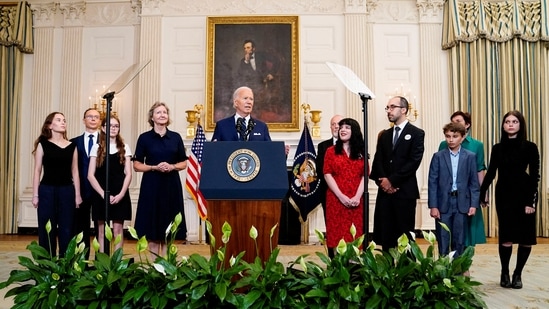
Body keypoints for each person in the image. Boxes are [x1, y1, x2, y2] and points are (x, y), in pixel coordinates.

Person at [480, 110, 539, 289]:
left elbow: (535, 175)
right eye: (507, 121)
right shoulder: (497, 148)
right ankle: (504, 271)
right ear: (503, 125)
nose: (511, 124)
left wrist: (531, 202)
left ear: (520, 125)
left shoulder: (530, 147)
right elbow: (491, 173)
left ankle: (517, 273)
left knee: (526, 238)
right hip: (504, 194)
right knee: (506, 236)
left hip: (525, 194)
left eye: (514, 121)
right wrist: (482, 193)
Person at [133, 102, 188, 257]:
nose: (162, 115)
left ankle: (165, 266)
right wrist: (154, 167)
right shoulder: (144, 138)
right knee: (152, 228)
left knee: (168, 227)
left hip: (171, 186)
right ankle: (153, 268)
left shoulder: (175, 137)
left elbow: (184, 162)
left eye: (165, 112)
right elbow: (137, 165)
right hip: (151, 186)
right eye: (158, 112)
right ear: (152, 117)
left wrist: (172, 166)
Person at [370, 96, 425, 251]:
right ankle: (386, 272)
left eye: (392, 107)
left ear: (404, 110)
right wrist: (383, 182)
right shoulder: (384, 135)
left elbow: (413, 162)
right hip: (385, 194)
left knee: (405, 237)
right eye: (387, 108)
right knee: (386, 237)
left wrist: (392, 181)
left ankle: (406, 273)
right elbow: (378, 161)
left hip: (404, 193)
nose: (388, 111)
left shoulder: (416, 133)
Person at [32, 112, 82, 257]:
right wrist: (35, 195)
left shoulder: (72, 146)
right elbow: (37, 171)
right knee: (47, 229)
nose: (63, 122)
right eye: (59, 120)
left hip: (67, 191)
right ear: (50, 125)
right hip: (46, 191)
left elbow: (75, 172)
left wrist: (77, 195)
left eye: (64, 120)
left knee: (67, 228)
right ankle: (47, 268)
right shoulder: (43, 145)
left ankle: (66, 267)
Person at [428, 122, 480, 256]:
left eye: (455, 136)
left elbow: (474, 183)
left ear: (463, 137)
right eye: (448, 136)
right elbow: (432, 182)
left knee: (460, 238)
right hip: (443, 203)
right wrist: (433, 206)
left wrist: (474, 204)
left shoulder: (470, 156)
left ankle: (457, 271)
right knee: (443, 238)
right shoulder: (438, 156)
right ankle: (443, 270)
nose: (451, 140)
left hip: (462, 203)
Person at [438, 111, 487, 247]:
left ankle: (465, 263)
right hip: (449, 195)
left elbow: (479, 169)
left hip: (468, 194)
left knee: (469, 230)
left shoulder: (477, 145)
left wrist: (483, 194)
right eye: (452, 121)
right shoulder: (444, 144)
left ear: (467, 125)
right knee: (448, 231)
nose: (455, 124)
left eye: (458, 121)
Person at [88, 115, 132, 252]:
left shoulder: (125, 147)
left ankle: (117, 264)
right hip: (101, 194)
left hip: (119, 193)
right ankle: (103, 264)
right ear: (103, 128)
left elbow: (129, 174)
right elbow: (90, 175)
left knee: (118, 231)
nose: (113, 128)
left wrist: (121, 194)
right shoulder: (96, 148)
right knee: (101, 231)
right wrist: (103, 194)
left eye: (116, 126)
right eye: (110, 125)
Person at [323, 118, 365, 255]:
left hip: (356, 201)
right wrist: (341, 196)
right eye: (341, 127)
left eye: (347, 127)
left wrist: (357, 197)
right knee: (337, 236)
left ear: (354, 131)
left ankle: (354, 269)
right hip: (336, 201)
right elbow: (327, 174)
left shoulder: (361, 152)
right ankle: (338, 268)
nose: (342, 130)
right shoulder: (331, 151)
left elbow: (365, 175)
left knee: (354, 236)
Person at [71, 108, 100, 258]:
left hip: (100, 190)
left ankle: (101, 264)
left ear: (100, 121)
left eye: (96, 117)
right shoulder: (73, 142)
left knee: (101, 229)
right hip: (80, 190)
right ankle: (81, 263)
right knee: (81, 228)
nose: (93, 119)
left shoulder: (107, 140)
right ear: (84, 120)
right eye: (90, 116)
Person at [316, 114, 343, 258]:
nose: (336, 127)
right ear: (330, 127)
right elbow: (321, 170)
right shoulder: (323, 146)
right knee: (331, 228)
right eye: (333, 124)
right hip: (328, 194)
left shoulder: (352, 145)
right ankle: (333, 260)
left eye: (339, 124)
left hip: (349, 194)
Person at [235, 39, 282, 117]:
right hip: (251, 84)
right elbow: (240, 75)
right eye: (245, 48)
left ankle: (262, 109)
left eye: (248, 47)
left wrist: (272, 74)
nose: (246, 50)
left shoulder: (261, 55)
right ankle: (254, 110)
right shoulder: (243, 61)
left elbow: (277, 61)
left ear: (253, 49)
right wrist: (246, 62)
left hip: (264, 81)